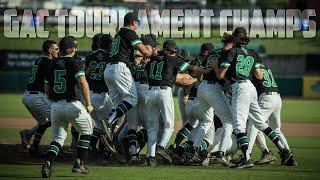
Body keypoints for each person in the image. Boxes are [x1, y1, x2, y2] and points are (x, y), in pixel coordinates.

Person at [217, 27, 294, 169]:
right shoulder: (253, 53)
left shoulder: (231, 51)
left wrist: (228, 75)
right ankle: (283, 150)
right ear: (246, 39)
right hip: (251, 88)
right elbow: (259, 75)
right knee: (261, 124)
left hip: (239, 87)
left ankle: (246, 158)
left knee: (239, 125)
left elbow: (220, 75)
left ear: (234, 38)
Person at [144, 39, 205, 166]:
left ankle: (151, 157)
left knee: (152, 127)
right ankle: (161, 148)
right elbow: (191, 70)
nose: (175, 52)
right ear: (171, 50)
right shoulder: (172, 59)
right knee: (169, 126)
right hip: (163, 92)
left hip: (150, 92)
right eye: (174, 50)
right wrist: (202, 71)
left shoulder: (152, 60)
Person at [41, 36, 93, 177]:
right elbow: (82, 83)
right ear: (70, 49)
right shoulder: (76, 62)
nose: (76, 49)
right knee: (87, 130)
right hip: (71, 104)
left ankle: (47, 163)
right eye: (74, 47)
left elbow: (46, 87)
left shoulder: (51, 64)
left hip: (56, 106)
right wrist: (88, 104)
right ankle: (78, 163)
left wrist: (52, 101)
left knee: (57, 139)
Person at [247, 63, 297, 166]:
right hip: (277, 97)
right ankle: (289, 156)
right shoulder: (265, 67)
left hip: (266, 98)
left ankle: (246, 156)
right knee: (276, 130)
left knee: (253, 125)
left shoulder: (251, 66)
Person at [20, 40, 59, 154]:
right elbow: (49, 84)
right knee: (56, 118)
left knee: (45, 122)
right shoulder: (48, 63)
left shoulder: (39, 59)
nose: (58, 51)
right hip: (37, 97)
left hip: (29, 95)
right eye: (56, 49)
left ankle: (32, 141)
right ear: (49, 50)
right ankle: (52, 146)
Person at [85, 34, 114, 152]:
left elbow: (85, 74)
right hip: (103, 96)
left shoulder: (90, 56)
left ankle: (91, 145)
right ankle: (106, 148)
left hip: (91, 94)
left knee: (99, 123)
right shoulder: (110, 57)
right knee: (111, 121)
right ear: (110, 44)